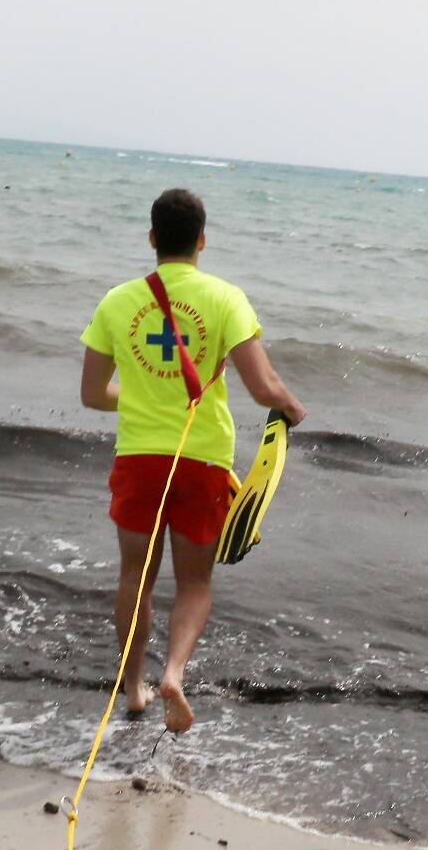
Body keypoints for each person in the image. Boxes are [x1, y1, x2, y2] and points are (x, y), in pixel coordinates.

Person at [80, 188, 306, 733]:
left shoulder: (117, 301)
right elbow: (262, 387)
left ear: (153, 238)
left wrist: (135, 395)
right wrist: (293, 409)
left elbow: (91, 394)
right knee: (195, 585)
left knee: (135, 574)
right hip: (202, 458)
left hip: (139, 458)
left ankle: (132, 687)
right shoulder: (227, 299)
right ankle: (174, 674)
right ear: (202, 240)